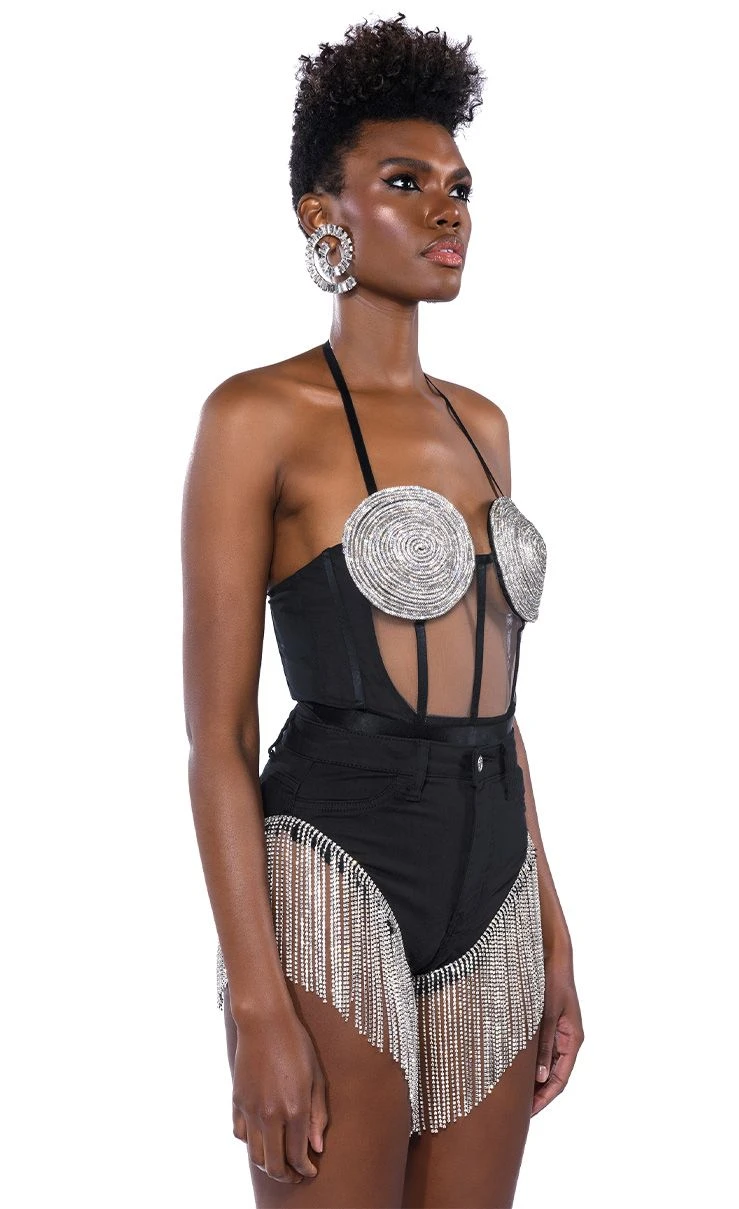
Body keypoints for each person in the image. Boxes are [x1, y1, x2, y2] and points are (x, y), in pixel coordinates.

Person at [182, 13, 583, 1208]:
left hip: (492, 872)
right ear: (325, 215)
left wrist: (552, 929)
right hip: (333, 861)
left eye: (458, 187)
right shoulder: (256, 417)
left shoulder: (483, 425)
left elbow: (496, 702)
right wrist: (257, 1003)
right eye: (404, 183)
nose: (446, 211)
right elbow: (216, 737)